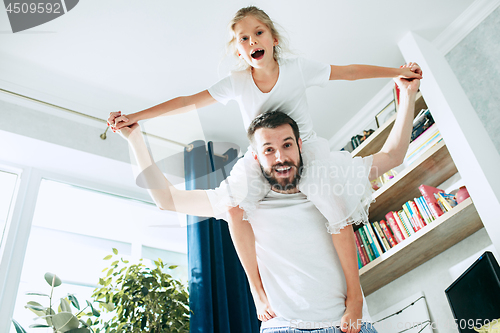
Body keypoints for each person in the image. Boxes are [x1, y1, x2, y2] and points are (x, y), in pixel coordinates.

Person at [107, 5, 422, 330]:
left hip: (311, 152)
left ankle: (354, 295)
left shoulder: (297, 69)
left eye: (258, 32)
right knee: (232, 206)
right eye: (243, 38)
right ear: (238, 49)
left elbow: (350, 73)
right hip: (281, 312)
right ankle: (258, 290)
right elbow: (189, 102)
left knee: (335, 208)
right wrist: (136, 123)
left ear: (273, 37)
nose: (252, 40)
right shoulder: (238, 83)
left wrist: (398, 77)